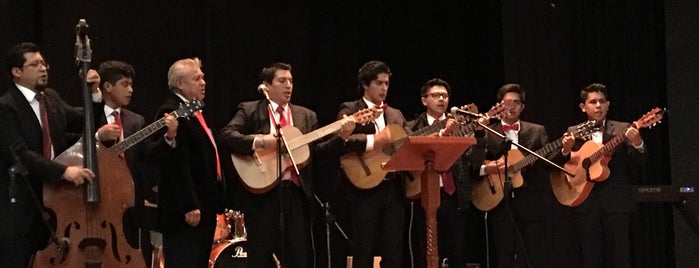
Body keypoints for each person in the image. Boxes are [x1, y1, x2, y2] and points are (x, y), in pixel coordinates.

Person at [220, 62, 353, 268]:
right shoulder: (250, 110)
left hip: (295, 196)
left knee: (298, 257)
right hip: (262, 197)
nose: (288, 86)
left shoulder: (306, 116)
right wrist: (264, 141)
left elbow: (318, 152)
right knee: (260, 257)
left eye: (291, 81)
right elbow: (227, 135)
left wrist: (341, 137)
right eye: (282, 81)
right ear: (266, 86)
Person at [0, 42, 98, 267]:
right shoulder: (6, 107)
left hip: (57, 201)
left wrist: (93, 94)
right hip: (24, 204)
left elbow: (84, 121)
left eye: (44, 63)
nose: (43, 68)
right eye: (35, 64)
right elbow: (20, 154)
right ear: (17, 72)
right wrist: (63, 171)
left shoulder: (51, 98)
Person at [479, 83, 572, 268]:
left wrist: (565, 150)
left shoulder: (536, 131)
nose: (511, 107)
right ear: (498, 106)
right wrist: (488, 168)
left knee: (531, 255)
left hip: (530, 202)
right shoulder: (488, 132)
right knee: (503, 255)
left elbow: (548, 162)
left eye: (516, 102)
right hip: (498, 200)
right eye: (506, 102)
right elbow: (474, 162)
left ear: (522, 107)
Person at [148, 57, 225, 268]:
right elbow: (174, 165)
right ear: (180, 84)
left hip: (206, 206)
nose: (203, 82)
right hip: (185, 212)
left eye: (203, 77)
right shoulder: (170, 110)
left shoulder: (197, 109)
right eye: (196, 78)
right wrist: (189, 205)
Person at [403, 78, 484, 268]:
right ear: (424, 100)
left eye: (445, 96)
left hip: (453, 193)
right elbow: (408, 147)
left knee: (457, 250)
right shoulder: (412, 125)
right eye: (436, 95)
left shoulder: (461, 124)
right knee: (425, 251)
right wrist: (442, 135)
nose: (441, 99)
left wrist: (480, 133)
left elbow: (475, 160)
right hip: (422, 194)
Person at [336, 60, 407, 268]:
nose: (384, 88)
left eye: (387, 83)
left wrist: (438, 134)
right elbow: (341, 141)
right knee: (364, 249)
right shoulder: (350, 109)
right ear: (365, 85)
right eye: (379, 83)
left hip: (393, 187)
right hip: (364, 187)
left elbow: (408, 141)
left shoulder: (395, 114)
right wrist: (375, 142)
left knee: (394, 250)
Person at [568, 83, 646, 268]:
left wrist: (638, 143)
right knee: (590, 258)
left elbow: (641, 161)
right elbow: (568, 164)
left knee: (620, 257)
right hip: (586, 202)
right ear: (583, 107)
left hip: (616, 202)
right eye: (593, 102)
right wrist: (566, 151)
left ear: (608, 105)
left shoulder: (622, 129)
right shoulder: (574, 131)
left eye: (602, 102)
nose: (598, 106)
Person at [93, 60, 161, 265]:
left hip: (131, 201)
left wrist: (168, 138)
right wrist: (97, 136)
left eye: (132, 85)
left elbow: (148, 156)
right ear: (107, 87)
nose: (130, 90)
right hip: (99, 199)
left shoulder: (136, 121)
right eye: (125, 84)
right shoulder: (89, 117)